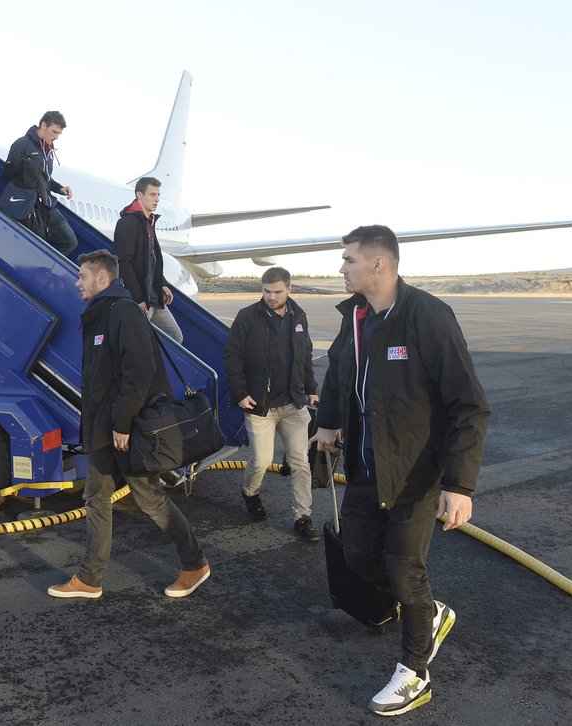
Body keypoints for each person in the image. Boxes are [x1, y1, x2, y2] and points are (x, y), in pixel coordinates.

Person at [313, 225, 489, 717]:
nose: (341, 267)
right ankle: (428, 613)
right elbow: (337, 372)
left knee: (403, 568)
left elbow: (469, 406)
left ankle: (415, 672)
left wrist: (459, 485)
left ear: (378, 264)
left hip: (416, 473)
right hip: (366, 468)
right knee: (357, 556)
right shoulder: (356, 319)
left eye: (348, 259)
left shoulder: (428, 317)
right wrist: (327, 422)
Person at [48, 250, 209, 599]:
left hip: (124, 430)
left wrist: (121, 424)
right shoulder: (103, 313)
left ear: (101, 278)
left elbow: (139, 373)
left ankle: (194, 564)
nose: (78, 282)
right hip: (106, 430)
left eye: (83, 276)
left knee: (149, 498)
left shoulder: (122, 312)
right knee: (96, 496)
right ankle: (90, 579)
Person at [223, 266, 320, 540]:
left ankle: (303, 516)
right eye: (267, 291)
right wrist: (241, 392)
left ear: (289, 289)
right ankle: (250, 493)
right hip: (260, 405)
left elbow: (305, 354)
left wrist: (311, 389)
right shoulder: (247, 317)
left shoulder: (298, 317)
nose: (271, 297)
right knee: (261, 461)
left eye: (277, 292)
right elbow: (232, 357)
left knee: (301, 462)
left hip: (292, 403)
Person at [113, 176, 183, 343]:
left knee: (175, 337)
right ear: (139, 195)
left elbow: (153, 261)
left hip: (155, 297)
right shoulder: (127, 223)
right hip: (141, 299)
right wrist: (138, 298)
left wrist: (163, 283)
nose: (157, 199)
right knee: (138, 345)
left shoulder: (149, 222)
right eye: (152, 194)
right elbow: (123, 262)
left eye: (158, 195)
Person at [2, 111, 78, 256]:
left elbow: (46, 180)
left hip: (48, 204)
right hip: (30, 204)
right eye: (54, 132)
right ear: (43, 125)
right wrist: (26, 168)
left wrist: (60, 188)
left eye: (59, 134)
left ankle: (45, 266)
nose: (56, 137)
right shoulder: (22, 144)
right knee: (37, 244)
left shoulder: (48, 151)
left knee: (70, 241)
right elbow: (7, 173)